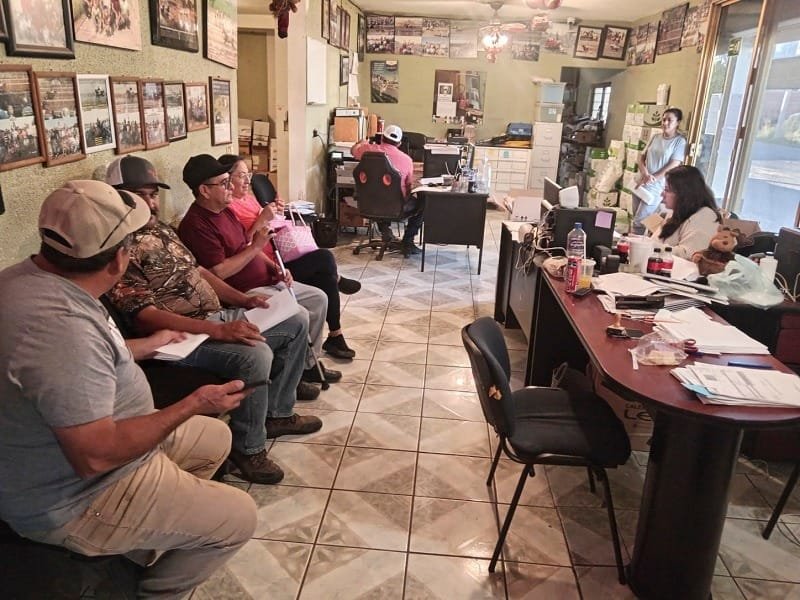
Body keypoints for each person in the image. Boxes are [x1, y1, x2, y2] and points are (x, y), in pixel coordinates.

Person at [0, 180, 257, 598]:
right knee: (238, 517)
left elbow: (84, 364)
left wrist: (146, 345)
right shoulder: (60, 328)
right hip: (76, 495)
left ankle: (139, 544)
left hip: (105, 446)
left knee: (215, 438)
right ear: (119, 259)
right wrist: (194, 402)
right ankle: (150, 589)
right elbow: (95, 456)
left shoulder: (28, 279)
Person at [105, 155, 322, 484]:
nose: (150, 204)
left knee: (294, 321)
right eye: (140, 195)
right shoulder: (119, 250)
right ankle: (248, 448)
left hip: (212, 315)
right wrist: (218, 329)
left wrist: (244, 300)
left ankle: (277, 414)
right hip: (176, 338)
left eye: (153, 195)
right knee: (255, 354)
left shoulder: (162, 230)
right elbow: (145, 316)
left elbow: (202, 273)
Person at [176, 154, 344, 382]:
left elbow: (246, 245)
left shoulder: (225, 211)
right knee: (300, 314)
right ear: (204, 190)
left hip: (266, 280)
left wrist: (275, 267)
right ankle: (292, 375)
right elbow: (218, 272)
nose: (230, 187)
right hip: (245, 291)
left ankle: (307, 365)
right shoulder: (196, 225)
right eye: (224, 183)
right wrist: (256, 247)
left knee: (319, 298)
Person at [217, 154, 360, 360]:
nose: (247, 181)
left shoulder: (248, 198)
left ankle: (333, 337)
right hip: (268, 263)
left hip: (277, 256)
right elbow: (244, 243)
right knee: (325, 261)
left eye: (249, 175)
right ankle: (334, 333)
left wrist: (276, 212)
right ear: (227, 179)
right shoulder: (229, 208)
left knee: (324, 273)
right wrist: (262, 218)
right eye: (241, 176)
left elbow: (267, 227)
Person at [351, 124, 424, 256]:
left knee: (380, 197)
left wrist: (361, 142)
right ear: (399, 143)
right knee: (423, 203)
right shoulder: (407, 160)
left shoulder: (367, 150)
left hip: (369, 204)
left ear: (382, 138)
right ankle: (408, 241)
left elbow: (353, 151)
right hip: (395, 206)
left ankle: (386, 232)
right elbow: (408, 186)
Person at [650, 165, 723, 259]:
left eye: (667, 190)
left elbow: (689, 254)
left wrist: (651, 247)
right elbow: (655, 241)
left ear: (684, 193)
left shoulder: (705, 215)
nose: (662, 194)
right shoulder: (676, 212)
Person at [634, 108, 687, 233]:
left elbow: (674, 164)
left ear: (678, 122)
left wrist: (653, 178)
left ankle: (633, 244)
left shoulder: (679, 141)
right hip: (641, 181)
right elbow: (641, 157)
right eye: (663, 120)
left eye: (669, 120)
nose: (665, 123)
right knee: (637, 217)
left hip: (657, 186)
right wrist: (645, 174)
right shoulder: (655, 137)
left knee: (639, 222)